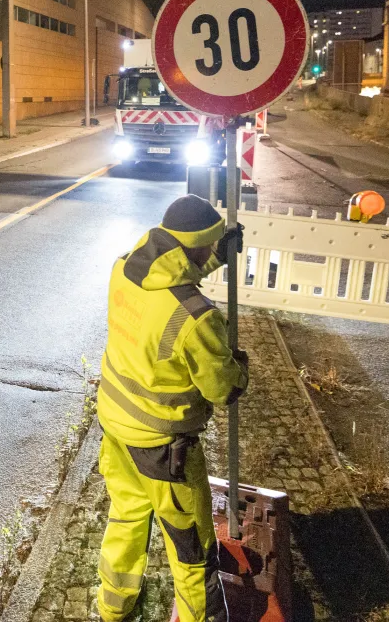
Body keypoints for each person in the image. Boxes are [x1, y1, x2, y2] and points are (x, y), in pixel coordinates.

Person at [95, 194, 248, 622]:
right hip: (163, 449)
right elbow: (222, 388)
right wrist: (241, 368)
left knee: (126, 517)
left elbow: (173, 275)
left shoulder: (124, 269)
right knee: (192, 549)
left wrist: (216, 255)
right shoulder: (196, 317)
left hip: (115, 427)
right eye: (208, 246)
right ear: (197, 245)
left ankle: (114, 608)